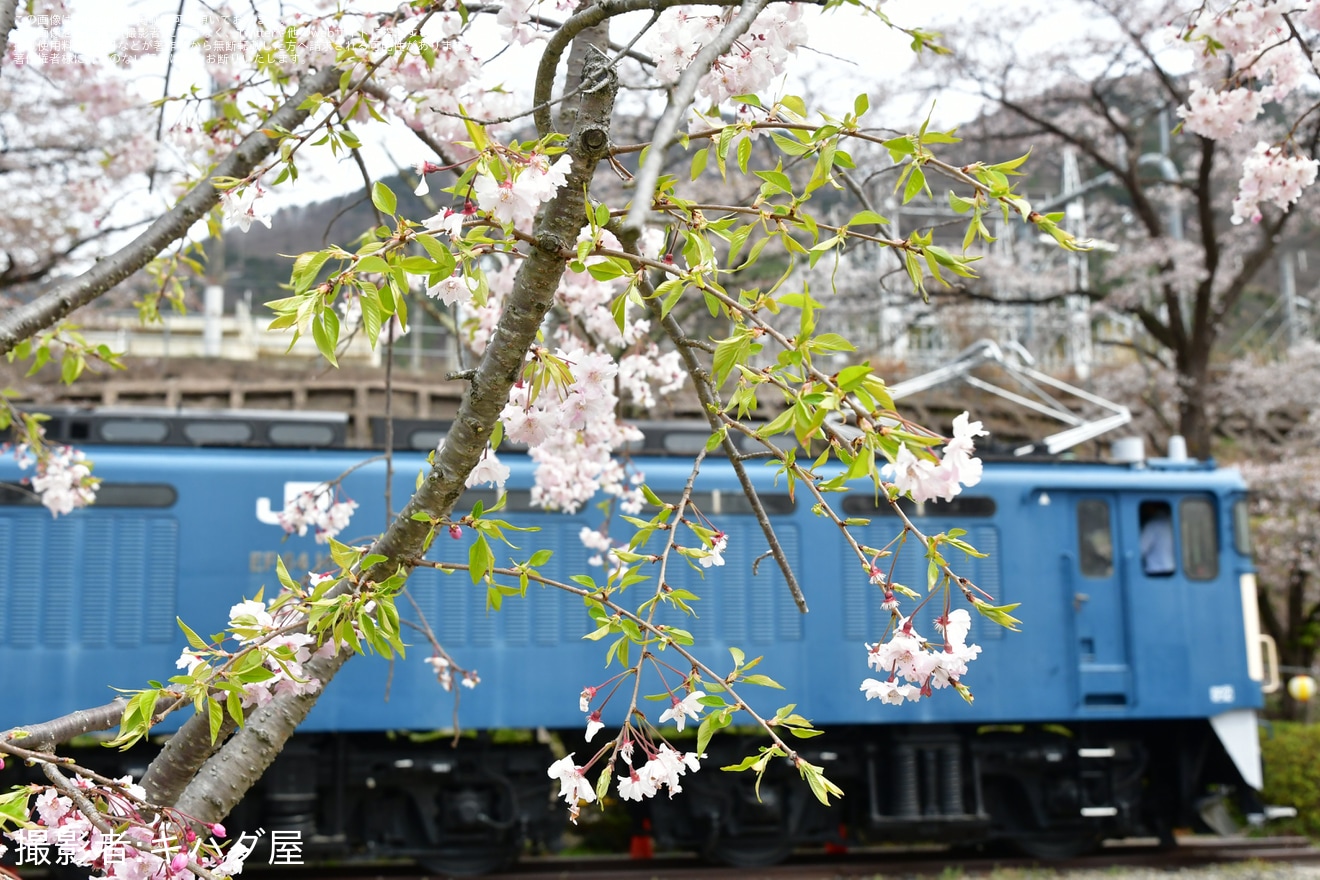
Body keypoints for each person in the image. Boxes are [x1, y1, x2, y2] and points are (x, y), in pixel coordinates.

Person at [1139, 506, 1175, 576]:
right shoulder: (1172, 522)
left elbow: (1141, 549)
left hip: (1155, 571)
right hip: (1171, 569)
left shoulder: (1152, 524)